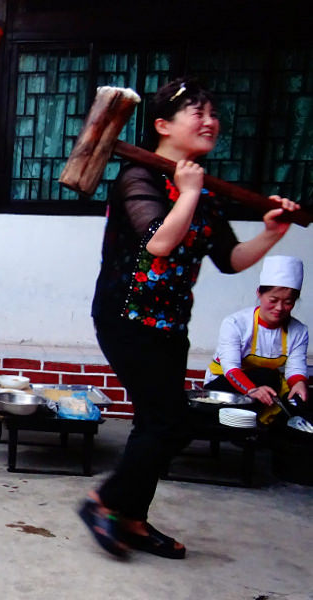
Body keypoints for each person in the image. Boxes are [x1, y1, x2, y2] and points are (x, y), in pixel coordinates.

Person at [81, 78, 302, 559]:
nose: (210, 122)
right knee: (167, 421)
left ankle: (130, 518)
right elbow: (158, 241)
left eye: (213, 113)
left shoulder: (199, 187)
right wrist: (186, 192)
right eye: (196, 113)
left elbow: (232, 258)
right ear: (163, 126)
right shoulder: (136, 179)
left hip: (170, 323)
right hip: (126, 317)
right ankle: (105, 503)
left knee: (167, 423)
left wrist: (272, 233)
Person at [204, 255, 308, 413]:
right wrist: (252, 390)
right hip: (225, 387)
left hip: (267, 387)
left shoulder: (299, 331)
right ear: (259, 293)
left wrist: (299, 383)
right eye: (273, 300)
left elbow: (295, 369)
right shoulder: (235, 323)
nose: (279, 308)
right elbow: (231, 368)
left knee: (301, 405)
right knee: (267, 376)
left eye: (288, 302)